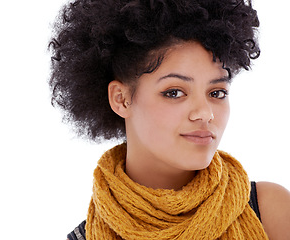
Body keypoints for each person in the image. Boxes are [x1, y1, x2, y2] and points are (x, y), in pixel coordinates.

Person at [48, 0, 290, 239]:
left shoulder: (271, 213)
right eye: (174, 92)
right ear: (121, 99)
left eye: (217, 93)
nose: (205, 113)